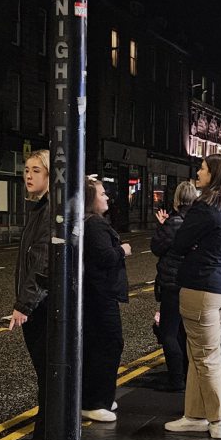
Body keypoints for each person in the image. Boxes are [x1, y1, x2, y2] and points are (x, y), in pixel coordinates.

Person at [164, 154, 221, 438]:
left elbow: (179, 243)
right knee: (198, 353)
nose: (197, 172)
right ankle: (194, 414)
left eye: (202, 169)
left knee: (205, 357)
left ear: (213, 174)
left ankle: (217, 419)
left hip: (202, 287)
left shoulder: (206, 207)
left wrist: (193, 247)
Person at [9, 149, 53, 440]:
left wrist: (24, 305)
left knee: (49, 373)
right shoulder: (42, 209)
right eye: (26, 169)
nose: (28, 175)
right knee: (48, 374)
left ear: (51, 175)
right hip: (42, 306)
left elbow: (43, 264)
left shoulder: (50, 211)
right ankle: (43, 435)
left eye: (36, 170)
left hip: (44, 308)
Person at [82, 176, 129, 423]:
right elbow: (104, 257)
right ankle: (94, 402)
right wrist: (124, 250)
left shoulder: (91, 222)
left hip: (97, 294)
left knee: (102, 345)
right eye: (102, 194)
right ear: (91, 199)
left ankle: (101, 396)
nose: (107, 197)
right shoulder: (95, 225)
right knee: (108, 344)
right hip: (101, 295)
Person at [152, 181, 198, 392]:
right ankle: (188, 374)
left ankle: (175, 379)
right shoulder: (196, 220)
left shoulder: (174, 221)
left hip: (172, 284)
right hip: (191, 283)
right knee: (185, 332)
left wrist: (162, 225)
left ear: (177, 198)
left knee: (168, 331)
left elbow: (157, 247)